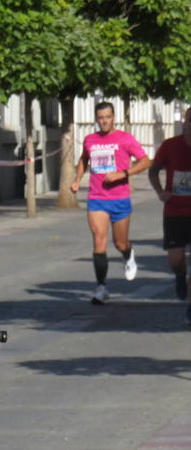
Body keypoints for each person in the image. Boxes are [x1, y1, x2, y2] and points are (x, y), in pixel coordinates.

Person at [70, 101, 151, 304]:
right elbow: (83, 160)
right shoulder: (90, 140)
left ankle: (128, 254)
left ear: (113, 117)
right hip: (97, 198)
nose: (104, 121)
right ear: (96, 119)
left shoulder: (125, 139)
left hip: (120, 198)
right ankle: (101, 287)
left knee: (120, 242)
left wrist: (122, 174)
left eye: (107, 117)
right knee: (99, 240)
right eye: (100, 118)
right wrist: (77, 180)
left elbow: (145, 161)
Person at [148, 106, 191, 325]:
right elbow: (153, 169)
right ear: (184, 123)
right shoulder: (170, 146)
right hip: (174, 211)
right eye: (190, 121)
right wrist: (160, 192)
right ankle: (179, 275)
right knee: (176, 260)